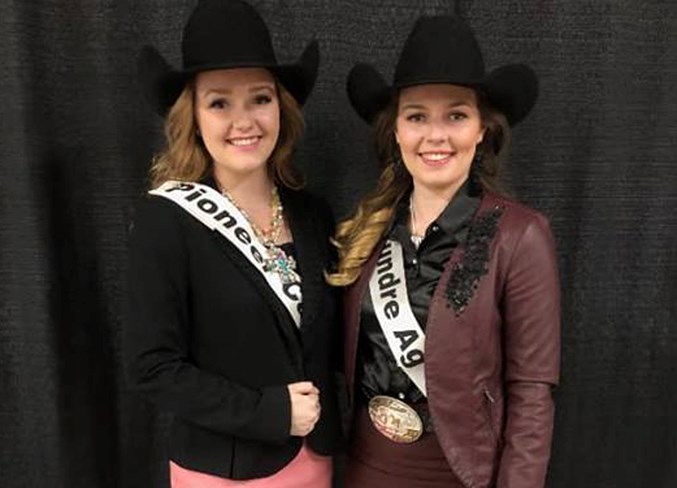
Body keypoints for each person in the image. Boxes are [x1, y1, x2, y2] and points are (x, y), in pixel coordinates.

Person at [327, 15, 561, 488]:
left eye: (455, 115)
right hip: (364, 471)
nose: (436, 135)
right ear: (395, 130)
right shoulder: (365, 231)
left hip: (459, 477)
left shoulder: (521, 235)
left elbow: (532, 392)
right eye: (417, 116)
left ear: (481, 130)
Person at [125, 1, 342, 487]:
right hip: (223, 472)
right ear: (193, 118)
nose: (245, 121)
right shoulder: (166, 220)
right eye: (220, 102)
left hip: (317, 459)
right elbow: (151, 368)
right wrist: (268, 412)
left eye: (260, 99)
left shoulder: (312, 213)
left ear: (280, 108)